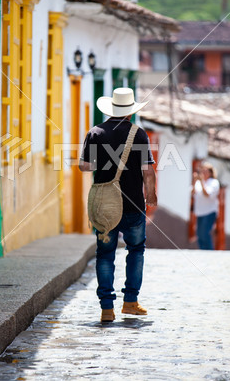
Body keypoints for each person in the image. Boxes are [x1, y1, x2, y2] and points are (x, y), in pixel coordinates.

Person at [79, 88, 157, 322]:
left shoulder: (95, 133)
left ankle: (106, 308)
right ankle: (130, 302)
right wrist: (150, 195)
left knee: (105, 254)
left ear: (111, 109)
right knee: (135, 251)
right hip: (133, 205)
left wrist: (103, 164)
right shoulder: (139, 134)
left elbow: (85, 167)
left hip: (105, 206)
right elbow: (148, 171)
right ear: (130, 113)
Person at [192, 162, 220, 250]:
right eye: (202, 171)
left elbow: (207, 194)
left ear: (211, 173)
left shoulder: (214, 182)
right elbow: (193, 193)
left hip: (210, 211)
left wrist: (201, 182)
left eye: (206, 171)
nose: (203, 173)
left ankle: (209, 251)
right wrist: (194, 181)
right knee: (199, 234)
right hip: (200, 211)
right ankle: (202, 251)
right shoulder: (199, 182)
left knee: (205, 232)